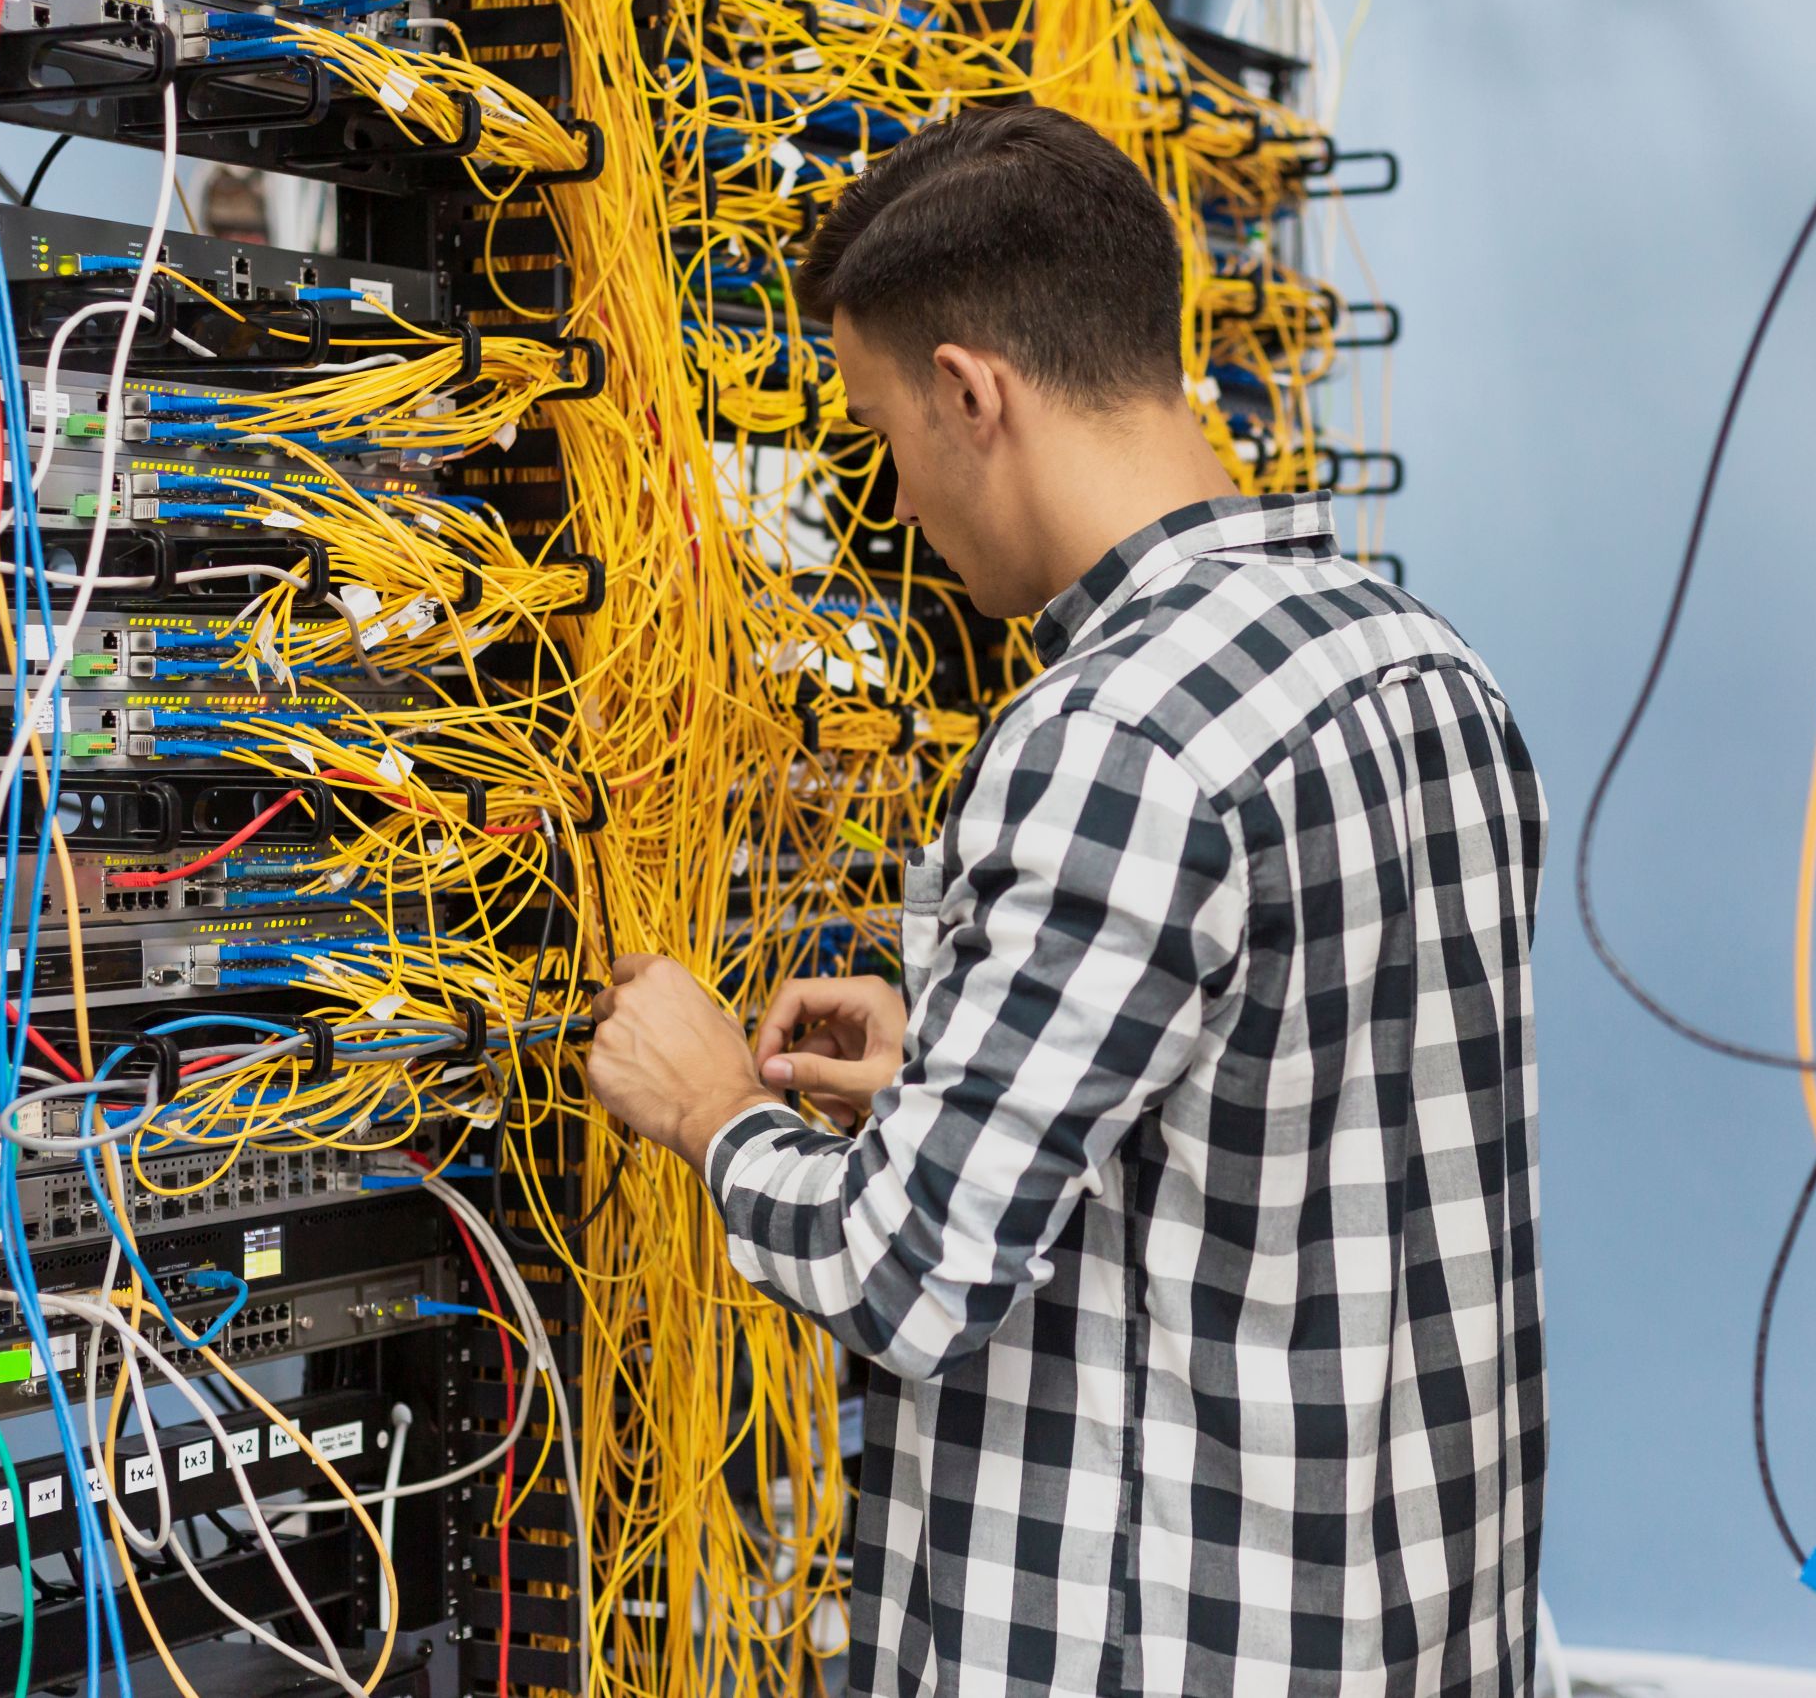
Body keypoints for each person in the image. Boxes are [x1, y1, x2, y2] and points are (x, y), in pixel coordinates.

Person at [586, 103, 1545, 1698]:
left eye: (883, 436)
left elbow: (903, 1275)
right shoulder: (1420, 663)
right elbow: (1278, 1115)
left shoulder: (1111, 739)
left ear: (971, 394)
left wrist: (701, 1106)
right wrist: (960, 1059)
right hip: (1410, 1624)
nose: (891, 503)